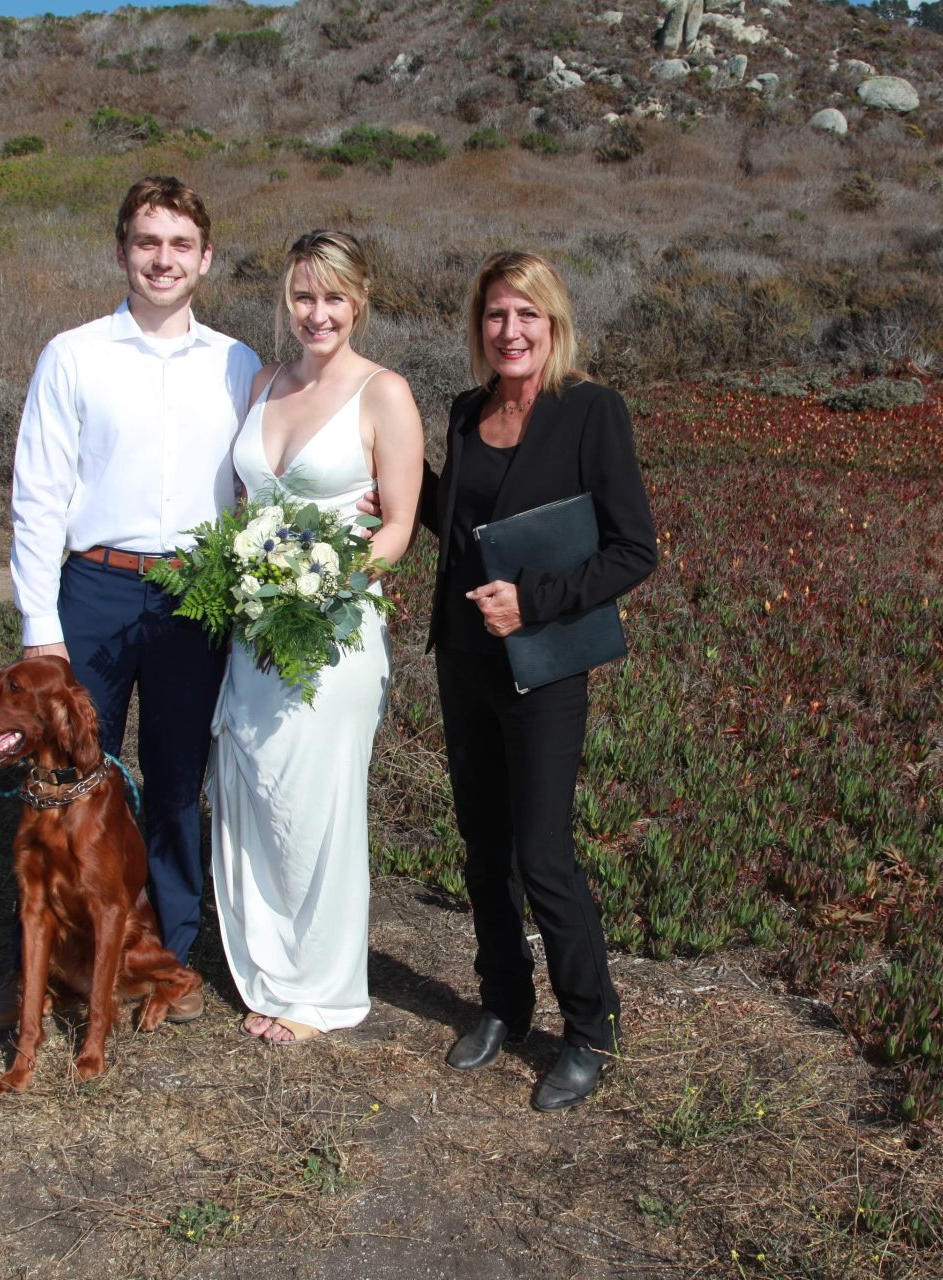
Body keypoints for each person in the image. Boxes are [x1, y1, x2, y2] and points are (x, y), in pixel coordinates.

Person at [0, 175, 261, 1029]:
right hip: (97, 590)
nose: (163, 259)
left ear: (206, 258)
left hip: (195, 596)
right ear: (121, 252)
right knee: (70, 778)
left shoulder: (237, 363)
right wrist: (43, 629)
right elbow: (38, 495)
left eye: (180, 244)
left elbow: (262, 483)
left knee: (179, 779)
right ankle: (55, 964)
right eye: (147, 242)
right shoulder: (73, 354)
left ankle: (167, 954)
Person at [419, 251, 656, 1110]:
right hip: (466, 660)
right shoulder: (462, 412)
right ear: (478, 329)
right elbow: (458, 526)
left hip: (544, 666)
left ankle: (590, 1024)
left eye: (528, 315)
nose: (510, 331)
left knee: (543, 855)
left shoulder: (589, 412)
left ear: (553, 325)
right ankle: (505, 1004)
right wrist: (394, 487)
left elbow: (635, 549)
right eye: (495, 316)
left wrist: (536, 603)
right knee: (484, 852)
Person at [210, 230, 424, 1044]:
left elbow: (398, 526)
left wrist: (325, 584)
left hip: (330, 631)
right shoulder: (263, 382)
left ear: (359, 301)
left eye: (333, 297)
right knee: (254, 793)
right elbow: (240, 506)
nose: (317, 313)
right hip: (255, 626)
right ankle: (269, 971)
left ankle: (323, 993)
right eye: (304, 296)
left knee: (317, 804)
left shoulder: (384, 394)